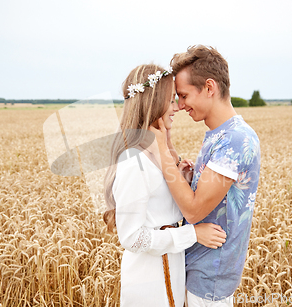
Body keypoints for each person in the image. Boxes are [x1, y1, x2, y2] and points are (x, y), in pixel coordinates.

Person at [103, 64, 227, 307]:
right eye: (171, 100)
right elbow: (132, 238)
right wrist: (192, 234)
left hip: (169, 267)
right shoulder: (134, 161)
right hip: (148, 281)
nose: (177, 107)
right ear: (153, 103)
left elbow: (165, 208)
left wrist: (185, 176)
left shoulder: (157, 155)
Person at [149, 45, 261, 306]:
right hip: (199, 267)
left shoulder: (234, 139)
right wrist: (186, 172)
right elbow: (207, 199)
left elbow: (194, 210)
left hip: (210, 274)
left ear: (209, 88)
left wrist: (163, 151)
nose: (179, 105)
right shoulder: (220, 133)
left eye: (184, 95)